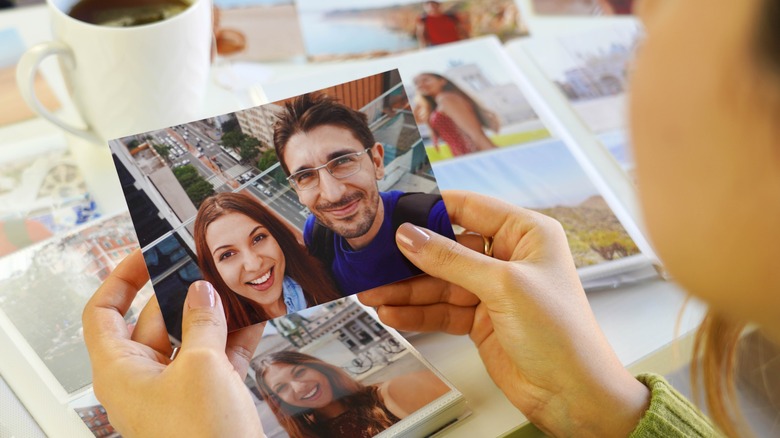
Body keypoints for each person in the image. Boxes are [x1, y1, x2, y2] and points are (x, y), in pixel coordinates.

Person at [83, 0, 779, 436]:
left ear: (379, 161)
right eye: (305, 176)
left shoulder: (413, 220)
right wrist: (601, 412)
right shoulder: (319, 244)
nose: (328, 192)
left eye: (650, 11)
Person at [272, 93, 456, 296]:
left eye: (342, 161)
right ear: (297, 190)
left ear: (376, 162)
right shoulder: (315, 233)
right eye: (305, 175)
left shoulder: (437, 222)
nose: (333, 194)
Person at [194, 192, 341, 330]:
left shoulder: (326, 274)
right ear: (214, 271)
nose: (254, 264)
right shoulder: (224, 341)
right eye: (227, 255)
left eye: (258, 238)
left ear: (277, 237)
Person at [253, 351, 449, 438]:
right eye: (282, 388)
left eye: (300, 372)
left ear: (319, 369)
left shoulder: (389, 395)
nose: (298, 387)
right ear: (281, 402)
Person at [413, 72, 499, 157]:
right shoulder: (437, 105)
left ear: (442, 81)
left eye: (426, 80)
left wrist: (496, 156)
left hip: (474, 154)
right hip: (464, 156)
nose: (420, 84)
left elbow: (476, 133)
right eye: (416, 83)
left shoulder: (446, 99)